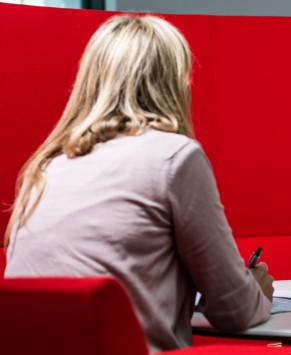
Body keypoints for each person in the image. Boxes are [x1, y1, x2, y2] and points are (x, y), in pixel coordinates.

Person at [3, 14, 274, 354]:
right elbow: (235, 311)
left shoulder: (44, 169)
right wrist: (258, 291)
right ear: (175, 85)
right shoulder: (175, 157)